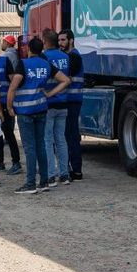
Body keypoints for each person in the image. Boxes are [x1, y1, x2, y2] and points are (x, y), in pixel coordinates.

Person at [5, 37, 67, 193]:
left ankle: (31, 183)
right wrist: (50, 93)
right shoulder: (46, 65)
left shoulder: (23, 64)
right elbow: (65, 80)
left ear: (29, 49)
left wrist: (9, 107)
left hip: (25, 112)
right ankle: (44, 181)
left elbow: (13, 87)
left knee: (30, 147)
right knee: (41, 146)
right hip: (41, 109)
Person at [42, 30, 74, 185]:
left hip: (49, 103)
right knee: (61, 139)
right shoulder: (65, 57)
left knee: (47, 140)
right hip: (63, 102)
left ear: (46, 42)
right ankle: (64, 173)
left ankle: (50, 174)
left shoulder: (44, 57)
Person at [0, 35, 21, 174]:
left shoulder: (4, 61)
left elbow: (13, 81)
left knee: (8, 133)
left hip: (5, 104)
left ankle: (16, 163)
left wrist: (10, 103)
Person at [57, 29, 85, 180]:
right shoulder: (69, 56)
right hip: (70, 100)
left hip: (72, 101)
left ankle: (76, 170)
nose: (60, 43)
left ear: (71, 40)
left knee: (71, 135)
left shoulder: (73, 57)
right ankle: (72, 168)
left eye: (63, 40)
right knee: (68, 135)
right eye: (59, 40)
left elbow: (66, 77)